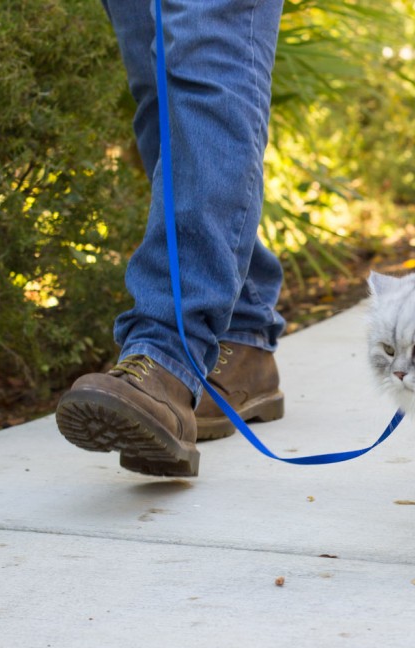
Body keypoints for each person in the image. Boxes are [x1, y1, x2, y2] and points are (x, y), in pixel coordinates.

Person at [55, 0, 287, 477]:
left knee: (207, 56)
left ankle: (167, 354)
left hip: (170, 342)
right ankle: (241, 334)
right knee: (159, 85)